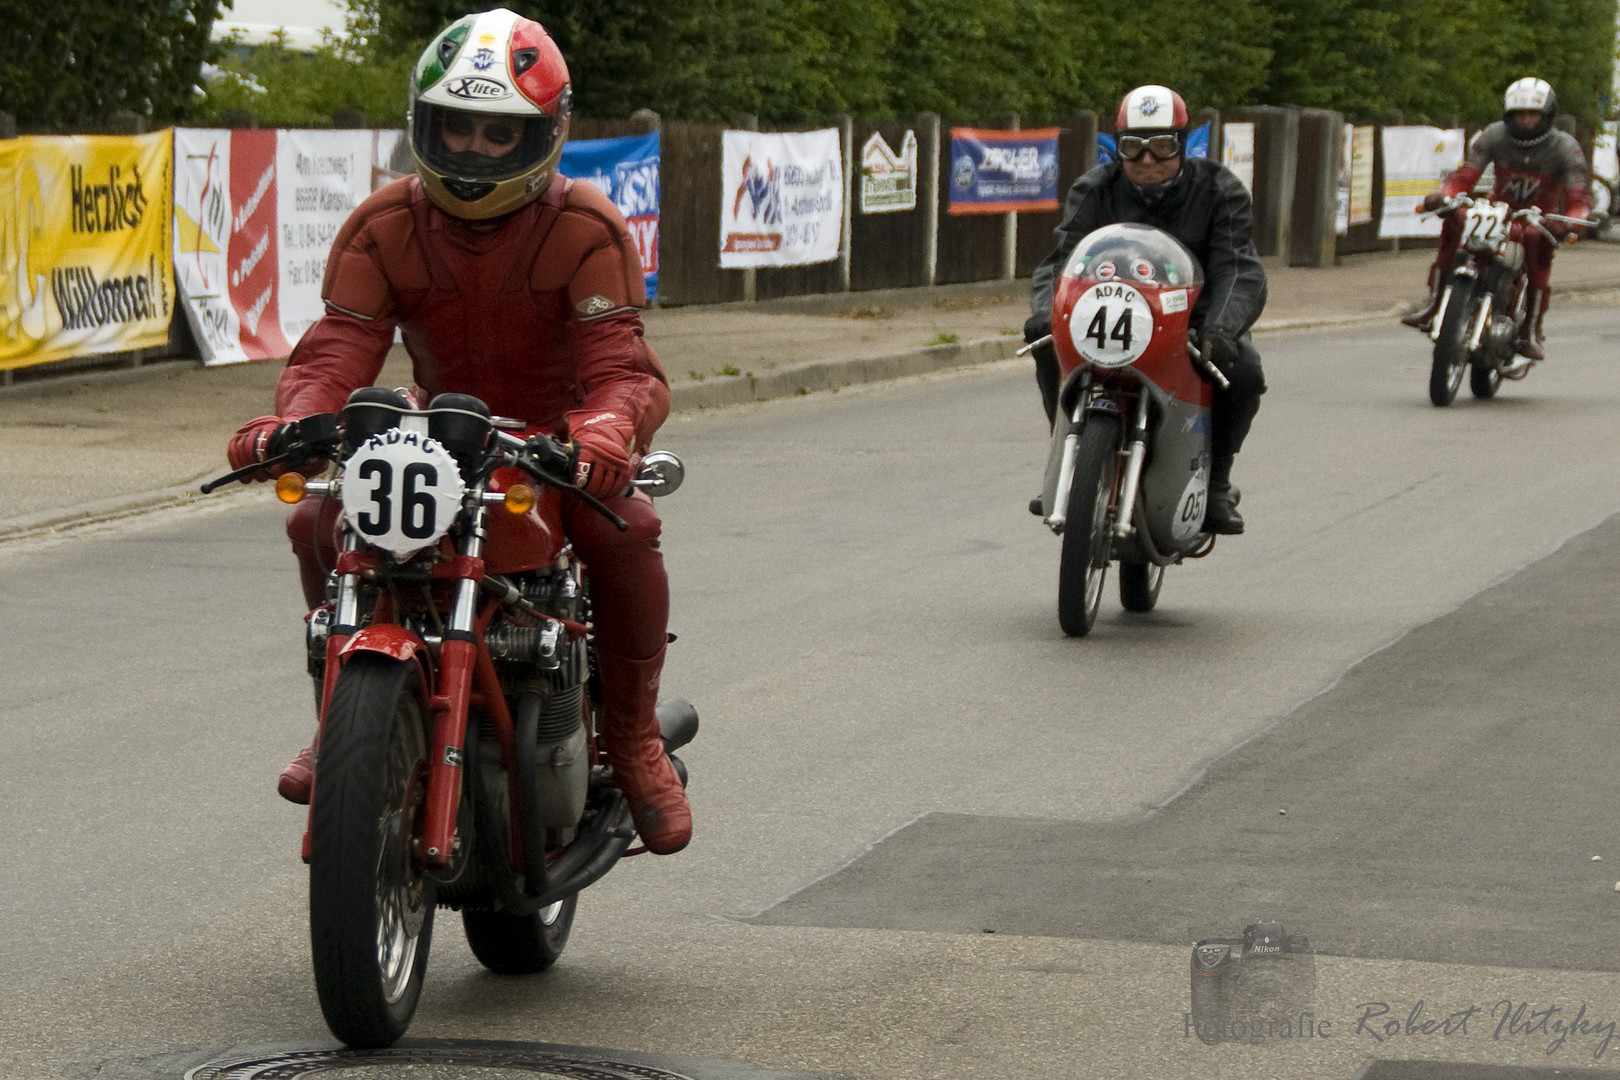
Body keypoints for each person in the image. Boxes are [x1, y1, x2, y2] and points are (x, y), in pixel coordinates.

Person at [224, 8, 691, 855]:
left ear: (545, 134)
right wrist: (293, 423)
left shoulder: (585, 228)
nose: (473, 149)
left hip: (552, 443)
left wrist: (605, 434)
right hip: (435, 436)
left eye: (498, 132)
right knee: (315, 518)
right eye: (456, 127)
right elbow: (336, 350)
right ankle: (345, 723)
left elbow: (621, 368)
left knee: (628, 531)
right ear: (423, 125)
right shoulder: (382, 225)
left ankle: (632, 738)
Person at [1025, 85, 1267, 534]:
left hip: (1193, 324)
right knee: (1044, 344)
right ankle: (1068, 456)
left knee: (1244, 371)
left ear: (1182, 144)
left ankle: (1215, 482)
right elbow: (1061, 260)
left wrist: (1220, 329)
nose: (1147, 160)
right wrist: (1046, 309)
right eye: (1133, 147)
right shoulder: (1094, 189)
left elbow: (1237, 269)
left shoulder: (1220, 190)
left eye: (1161, 146)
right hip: (1110, 316)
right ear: (1118, 148)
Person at [1401, 77, 1591, 362]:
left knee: (1537, 243)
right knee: (1454, 220)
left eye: (1532, 113)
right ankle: (1435, 302)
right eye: (1519, 113)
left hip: (1537, 218)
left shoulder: (1566, 148)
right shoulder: (1493, 135)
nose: (1525, 120)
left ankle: (1530, 329)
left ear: (1546, 114)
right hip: (1497, 211)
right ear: (1508, 114)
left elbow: (1579, 199)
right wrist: (1445, 196)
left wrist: (1569, 221)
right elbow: (1465, 176)